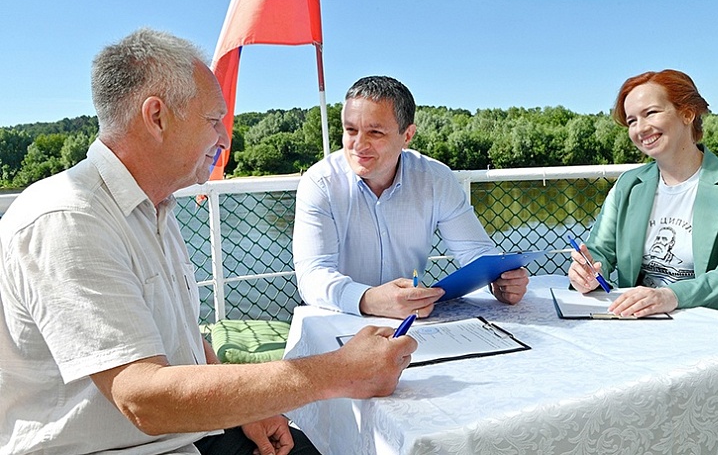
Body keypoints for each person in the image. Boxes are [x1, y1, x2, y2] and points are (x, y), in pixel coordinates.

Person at [0, 29, 417, 455]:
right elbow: (143, 398)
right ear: (157, 117)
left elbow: (179, 338)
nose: (224, 138)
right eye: (213, 120)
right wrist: (339, 372)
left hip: (185, 435)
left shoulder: (152, 206)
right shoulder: (71, 219)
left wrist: (244, 409)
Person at [293, 76, 529, 320]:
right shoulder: (320, 183)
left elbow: (477, 253)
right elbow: (312, 275)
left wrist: (500, 282)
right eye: (351, 130)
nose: (358, 145)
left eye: (375, 132)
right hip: (338, 318)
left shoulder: (436, 179)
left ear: (407, 135)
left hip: (412, 320)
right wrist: (368, 299)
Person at [568, 69, 718, 324]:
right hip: (647, 327)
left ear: (688, 113)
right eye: (632, 121)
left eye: (651, 113)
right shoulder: (629, 184)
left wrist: (670, 296)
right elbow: (600, 251)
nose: (640, 128)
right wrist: (587, 273)